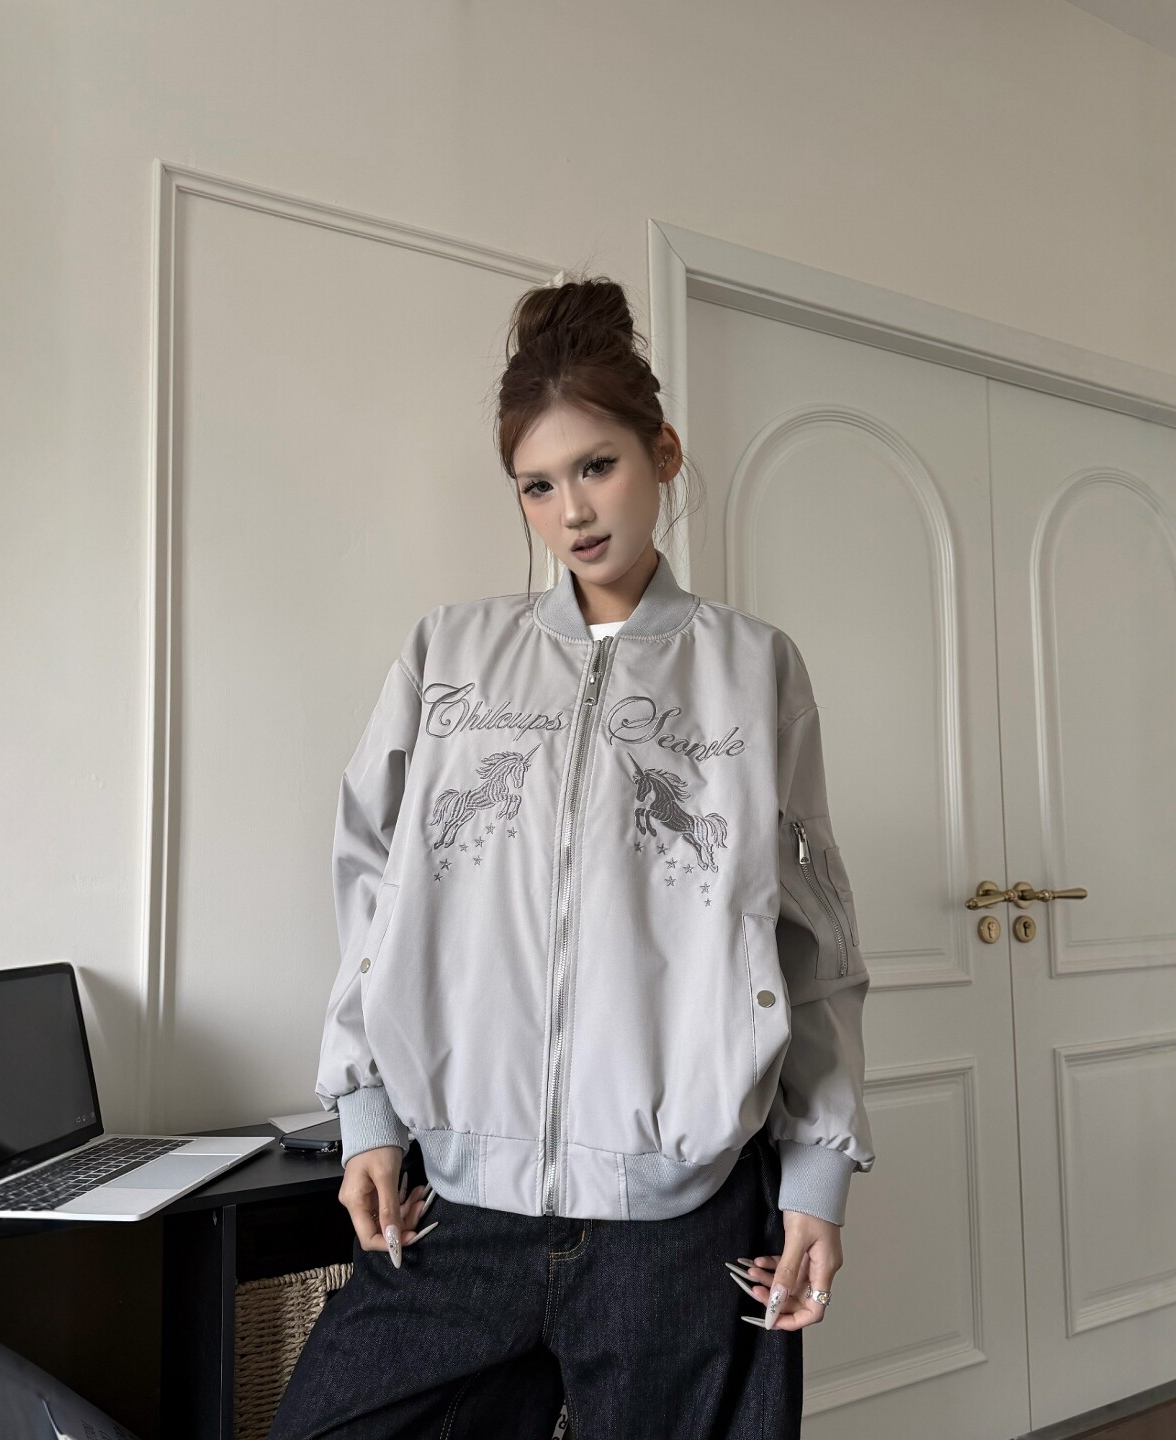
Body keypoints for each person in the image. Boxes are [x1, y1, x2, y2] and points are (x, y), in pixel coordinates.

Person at [270, 276, 875, 1440]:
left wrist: (817, 1179)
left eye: (597, 466)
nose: (573, 511)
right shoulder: (449, 655)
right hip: (463, 1209)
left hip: (680, 1223)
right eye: (538, 485)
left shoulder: (754, 669)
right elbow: (371, 893)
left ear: (663, 454)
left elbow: (811, 936)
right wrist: (368, 1116)